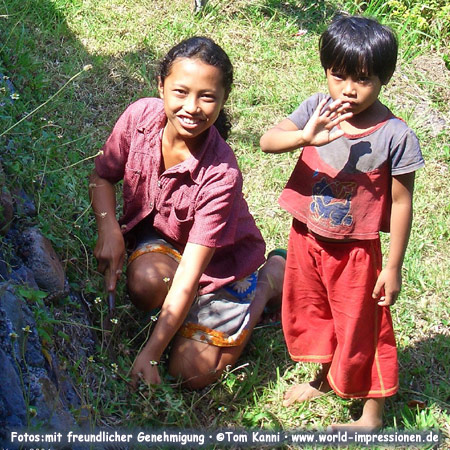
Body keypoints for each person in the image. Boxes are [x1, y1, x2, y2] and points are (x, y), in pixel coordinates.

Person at [89, 36, 285, 390]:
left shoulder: (222, 174)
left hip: (218, 269)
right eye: (180, 91)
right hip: (166, 245)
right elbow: (101, 177)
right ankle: (179, 318)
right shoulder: (140, 118)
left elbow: (191, 275)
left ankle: (270, 281)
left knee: (190, 373)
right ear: (161, 86)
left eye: (207, 96)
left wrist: (150, 353)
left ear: (223, 100)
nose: (191, 107)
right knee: (148, 282)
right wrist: (109, 229)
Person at [260, 15, 424, 429]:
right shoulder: (316, 109)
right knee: (314, 311)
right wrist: (305, 137)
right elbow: (267, 141)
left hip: (356, 252)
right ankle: (321, 377)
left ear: (384, 77)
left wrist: (393, 266)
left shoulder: (396, 136)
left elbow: (402, 204)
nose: (348, 89)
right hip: (306, 237)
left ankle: (371, 415)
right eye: (338, 76)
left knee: (363, 326)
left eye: (364, 79)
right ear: (326, 71)